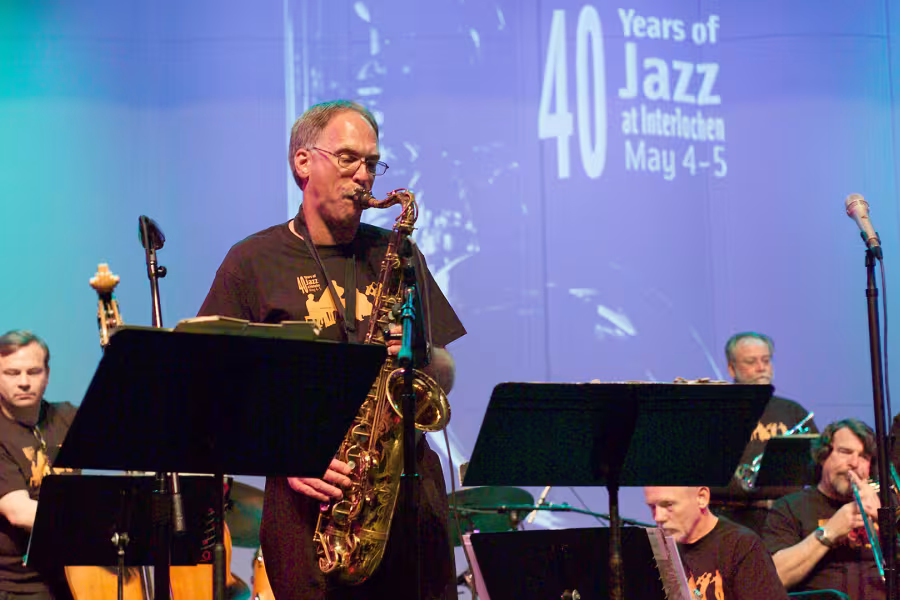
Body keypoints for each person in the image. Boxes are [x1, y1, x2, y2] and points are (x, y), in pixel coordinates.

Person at [198, 99, 466, 600]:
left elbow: (443, 366)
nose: (363, 176)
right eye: (348, 158)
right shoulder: (252, 261)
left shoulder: (399, 253)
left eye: (371, 162)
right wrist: (287, 453)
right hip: (307, 502)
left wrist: (418, 355)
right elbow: (211, 387)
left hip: (407, 495)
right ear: (303, 162)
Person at [761, 418, 884, 598]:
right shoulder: (789, 507)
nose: (855, 463)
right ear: (823, 456)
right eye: (845, 452)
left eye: (864, 456)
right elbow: (773, 578)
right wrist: (829, 532)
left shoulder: (886, 505)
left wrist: (884, 520)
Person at [0, 331, 76, 600]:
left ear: (47, 375)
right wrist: (94, 523)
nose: (23, 382)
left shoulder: (67, 416)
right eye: (12, 373)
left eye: (33, 371)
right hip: (17, 587)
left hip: (73, 575)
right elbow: (18, 511)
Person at [643, 486, 788, 599]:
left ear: (702, 497)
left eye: (668, 505)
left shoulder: (740, 545)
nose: (658, 517)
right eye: (652, 507)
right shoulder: (659, 548)